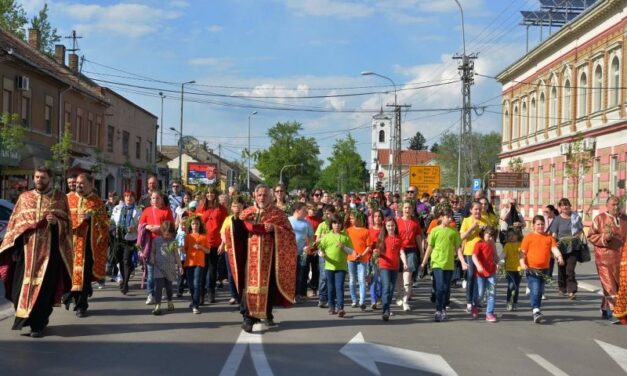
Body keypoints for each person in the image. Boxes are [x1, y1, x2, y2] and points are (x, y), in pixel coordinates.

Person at [0, 166, 73, 338]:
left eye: (43, 178)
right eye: (37, 177)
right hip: (25, 251)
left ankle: (39, 324)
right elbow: (14, 223)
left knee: (44, 290)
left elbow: (68, 225)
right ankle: (26, 318)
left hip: (49, 253)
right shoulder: (24, 197)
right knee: (19, 289)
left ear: (50, 179)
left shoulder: (60, 198)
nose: (39, 180)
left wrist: (56, 222)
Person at [230, 185, 297, 333]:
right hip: (250, 258)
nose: (262, 197)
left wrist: (275, 229)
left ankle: (266, 313)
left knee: (269, 288)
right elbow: (238, 235)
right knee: (249, 287)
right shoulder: (247, 213)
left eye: (265, 195)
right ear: (255, 195)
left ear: (271, 196)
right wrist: (235, 218)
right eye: (259, 195)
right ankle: (248, 318)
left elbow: (289, 234)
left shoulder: (278, 214)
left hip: (271, 258)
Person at [64, 173, 109, 317]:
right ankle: (71, 296)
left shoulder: (97, 202)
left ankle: (81, 306)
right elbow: (63, 219)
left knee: (83, 276)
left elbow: (105, 225)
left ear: (91, 184)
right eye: (77, 183)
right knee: (71, 275)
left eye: (82, 183)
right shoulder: (68, 199)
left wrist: (92, 218)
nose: (79, 185)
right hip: (71, 245)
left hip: (89, 247)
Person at [587, 196, 627, 323]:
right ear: (607, 205)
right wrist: (605, 237)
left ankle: (605, 308)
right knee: (609, 285)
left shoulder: (625, 219)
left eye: (618, 204)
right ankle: (613, 312)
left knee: (621, 286)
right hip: (604, 259)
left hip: (622, 259)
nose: (616, 207)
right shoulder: (599, 219)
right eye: (613, 205)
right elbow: (591, 236)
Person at [520, 215, 565, 323]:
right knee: (536, 289)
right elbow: (522, 253)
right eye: (538, 224)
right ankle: (536, 310)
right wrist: (522, 263)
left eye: (542, 224)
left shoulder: (549, 238)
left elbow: (554, 249)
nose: (540, 226)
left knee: (540, 290)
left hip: (544, 269)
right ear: (533, 226)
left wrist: (559, 257)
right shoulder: (528, 237)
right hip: (532, 268)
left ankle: (537, 308)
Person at [420, 208, 461, 322]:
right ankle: (438, 310)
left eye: (450, 217)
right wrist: (424, 262)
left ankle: (443, 308)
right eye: (447, 216)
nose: (449, 219)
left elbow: (458, 249)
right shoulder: (434, 231)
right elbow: (429, 247)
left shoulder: (453, 232)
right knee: (440, 287)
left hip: (449, 263)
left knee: (446, 288)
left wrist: (462, 262)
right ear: (441, 217)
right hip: (437, 262)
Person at [138, 191, 175, 305]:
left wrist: (159, 228)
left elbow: (171, 227)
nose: (155, 200)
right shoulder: (147, 211)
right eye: (153, 198)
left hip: (164, 244)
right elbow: (140, 225)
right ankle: (151, 294)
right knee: (150, 271)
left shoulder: (167, 211)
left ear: (162, 199)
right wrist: (147, 226)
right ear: (150, 200)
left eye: (157, 198)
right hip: (150, 245)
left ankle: (163, 288)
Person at [317, 215, 353, 317]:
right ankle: (331, 307)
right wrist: (322, 254)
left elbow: (351, 251)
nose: (336, 225)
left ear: (341, 225)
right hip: (329, 267)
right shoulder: (327, 236)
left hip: (341, 267)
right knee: (331, 287)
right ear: (331, 225)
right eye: (334, 223)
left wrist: (344, 247)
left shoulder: (345, 237)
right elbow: (319, 249)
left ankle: (340, 308)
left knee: (339, 287)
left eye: (338, 223)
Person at [196, 186, 228, 304]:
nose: (210, 194)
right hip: (202, 243)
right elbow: (195, 225)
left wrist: (222, 244)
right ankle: (201, 294)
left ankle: (211, 291)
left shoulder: (222, 209)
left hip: (215, 243)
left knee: (213, 269)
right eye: (208, 193)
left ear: (215, 194)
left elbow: (225, 227)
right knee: (202, 269)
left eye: (212, 192)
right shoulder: (200, 208)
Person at [548, 198, 583, 300]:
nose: (565, 207)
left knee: (570, 269)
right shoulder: (557, 219)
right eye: (562, 205)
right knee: (561, 268)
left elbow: (580, 230)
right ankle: (562, 287)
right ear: (560, 207)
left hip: (574, 247)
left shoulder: (575, 217)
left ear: (570, 205)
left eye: (566, 204)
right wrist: (553, 247)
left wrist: (577, 235)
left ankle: (571, 291)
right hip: (561, 247)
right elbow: (554, 234)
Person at [110, 191, 142, 295]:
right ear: (124, 198)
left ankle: (125, 284)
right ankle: (125, 277)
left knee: (126, 260)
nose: (129, 198)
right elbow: (112, 222)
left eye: (131, 196)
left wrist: (135, 228)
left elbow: (141, 224)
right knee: (119, 260)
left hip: (130, 238)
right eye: (126, 196)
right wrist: (113, 230)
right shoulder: (117, 208)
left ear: (134, 198)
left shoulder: (138, 209)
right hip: (118, 238)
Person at [374, 217, 404, 321]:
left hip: (395, 266)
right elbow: (377, 251)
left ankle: (387, 305)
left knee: (391, 289)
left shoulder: (398, 238)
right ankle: (385, 310)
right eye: (388, 226)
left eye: (392, 225)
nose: (390, 228)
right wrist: (376, 254)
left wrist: (405, 263)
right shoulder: (382, 238)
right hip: (384, 266)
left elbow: (401, 252)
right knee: (386, 287)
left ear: (395, 226)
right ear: (385, 227)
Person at [459, 201, 488, 312]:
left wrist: (485, 230)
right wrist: (472, 228)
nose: (478, 211)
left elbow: (490, 236)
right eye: (475, 209)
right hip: (470, 251)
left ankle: (476, 301)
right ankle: (469, 302)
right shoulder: (466, 220)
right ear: (471, 210)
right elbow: (462, 236)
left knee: (479, 276)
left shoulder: (485, 220)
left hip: (482, 252)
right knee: (471, 276)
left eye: (480, 209)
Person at [149, 221, 182, 315]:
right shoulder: (156, 241)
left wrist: (180, 266)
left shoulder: (173, 241)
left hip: (170, 268)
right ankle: (157, 305)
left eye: (170, 234)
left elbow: (176, 254)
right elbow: (153, 252)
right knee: (158, 287)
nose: (168, 236)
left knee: (169, 287)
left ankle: (170, 301)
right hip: (158, 268)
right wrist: (152, 259)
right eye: (166, 234)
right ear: (162, 232)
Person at [219, 197, 247, 305]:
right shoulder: (228, 219)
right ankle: (234, 295)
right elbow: (222, 232)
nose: (236, 208)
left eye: (238, 206)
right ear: (231, 207)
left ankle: (242, 293)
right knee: (231, 273)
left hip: (241, 249)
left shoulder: (245, 218)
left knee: (241, 272)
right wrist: (223, 243)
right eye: (234, 206)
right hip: (229, 250)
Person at [395, 201, 422, 311]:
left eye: (409, 208)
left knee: (408, 276)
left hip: (411, 250)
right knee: (399, 277)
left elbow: (418, 238)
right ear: (402, 209)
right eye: (405, 208)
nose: (407, 210)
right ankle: (399, 295)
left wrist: (422, 251)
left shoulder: (415, 222)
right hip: (399, 251)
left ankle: (405, 301)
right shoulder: (397, 222)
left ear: (412, 209)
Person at [346, 211, 372, 311]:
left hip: (362, 259)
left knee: (362, 280)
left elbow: (369, 246)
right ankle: (354, 300)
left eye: (353, 218)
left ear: (358, 218)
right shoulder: (348, 231)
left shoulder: (365, 231)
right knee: (352, 279)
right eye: (350, 219)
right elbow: (345, 245)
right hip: (351, 258)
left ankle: (362, 301)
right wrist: (352, 254)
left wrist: (362, 254)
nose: (351, 220)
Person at [288, 202, 314, 303]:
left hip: (302, 254)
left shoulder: (306, 222)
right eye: (304, 210)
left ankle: (297, 294)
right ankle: (288, 295)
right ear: (297, 210)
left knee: (300, 274)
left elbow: (311, 236)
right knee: (290, 274)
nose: (306, 212)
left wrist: (309, 246)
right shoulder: (288, 220)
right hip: (289, 253)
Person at [472, 227, 498, 322]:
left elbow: (495, 255)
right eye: (488, 236)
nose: (490, 238)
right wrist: (478, 266)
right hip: (481, 273)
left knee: (491, 293)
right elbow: (474, 256)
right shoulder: (479, 244)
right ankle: (474, 305)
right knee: (480, 293)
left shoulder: (492, 244)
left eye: (492, 236)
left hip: (491, 272)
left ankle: (489, 313)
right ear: (483, 235)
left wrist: (498, 262)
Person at [314, 204, 337, 308]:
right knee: (323, 276)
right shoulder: (321, 225)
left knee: (331, 277)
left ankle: (331, 298)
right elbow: (316, 240)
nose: (326, 215)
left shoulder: (337, 225)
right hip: (323, 253)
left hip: (334, 254)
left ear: (333, 214)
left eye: (328, 213)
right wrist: (324, 236)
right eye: (325, 213)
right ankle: (322, 298)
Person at [368, 210, 384, 310]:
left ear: (382, 218)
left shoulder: (384, 230)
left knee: (381, 280)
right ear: (373, 218)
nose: (377, 218)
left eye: (379, 216)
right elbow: (367, 244)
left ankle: (379, 296)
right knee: (373, 279)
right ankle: (373, 300)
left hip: (383, 257)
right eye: (375, 216)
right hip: (372, 257)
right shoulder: (369, 230)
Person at [503, 228, 522, 311]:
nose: (511, 237)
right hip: (509, 268)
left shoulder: (521, 245)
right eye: (509, 236)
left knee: (516, 287)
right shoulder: (507, 245)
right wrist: (500, 261)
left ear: (517, 236)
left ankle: (515, 302)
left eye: (513, 235)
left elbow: (524, 255)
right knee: (511, 286)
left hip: (519, 269)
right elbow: (503, 254)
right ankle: (509, 302)